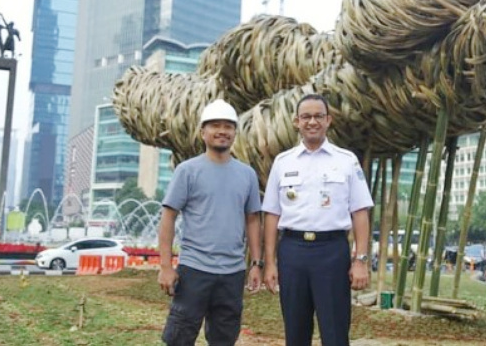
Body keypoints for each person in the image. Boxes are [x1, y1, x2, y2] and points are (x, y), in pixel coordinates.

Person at [262, 93, 374, 346]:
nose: (312, 122)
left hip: (332, 252)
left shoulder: (346, 161)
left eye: (318, 116)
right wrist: (270, 263)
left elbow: (360, 212)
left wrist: (361, 260)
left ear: (328, 120)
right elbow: (271, 215)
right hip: (293, 251)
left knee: (335, 331)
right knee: (296, 330)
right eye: (306, 117)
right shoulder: (283, 162)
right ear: (296, 122)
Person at [158, 99, 262, 346]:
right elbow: (168, 217)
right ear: (203, 132)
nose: (222, 131)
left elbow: (253, 220)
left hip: (232, 272)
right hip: (195, 269)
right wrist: (165, 266)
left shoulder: (247, 174)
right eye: (215, 125)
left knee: (224, 339)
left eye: (228, 126)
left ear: (235, 132)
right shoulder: (187, 171)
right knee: (179, 338)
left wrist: (256, 264)